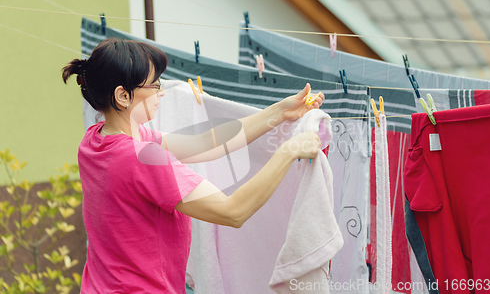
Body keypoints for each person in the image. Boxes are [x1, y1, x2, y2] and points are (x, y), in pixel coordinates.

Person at [62, 37, 324, 293]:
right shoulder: (143, 158)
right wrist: (289, 150)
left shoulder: (95, 141)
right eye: (154, 85)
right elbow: (233, 211)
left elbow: (203, 143)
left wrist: (278, 113)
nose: (162, 92)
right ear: (123, 96)